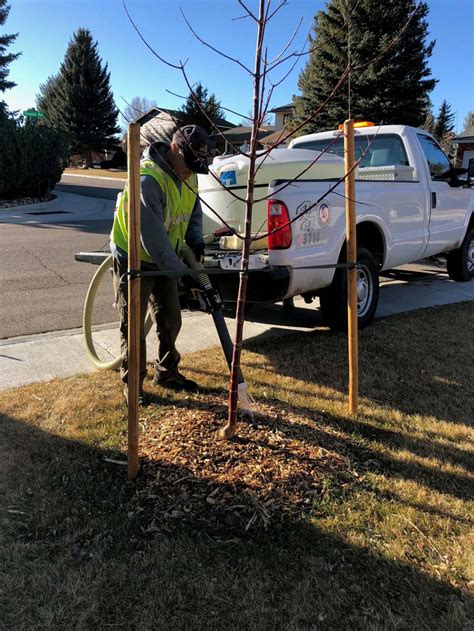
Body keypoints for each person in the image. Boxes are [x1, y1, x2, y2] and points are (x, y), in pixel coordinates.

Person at [110, 124, 211, 405]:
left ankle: (167, 373)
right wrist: (185, 274)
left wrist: (195, 244)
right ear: (175, 149)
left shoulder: (189, 175)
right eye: (190, 164)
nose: (192, 171)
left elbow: (193, 213)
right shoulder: (148, 179)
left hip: (168, 257)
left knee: (170, 319)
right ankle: (133, 387)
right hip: (135, 256)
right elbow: (150, 237)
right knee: (132, 327)